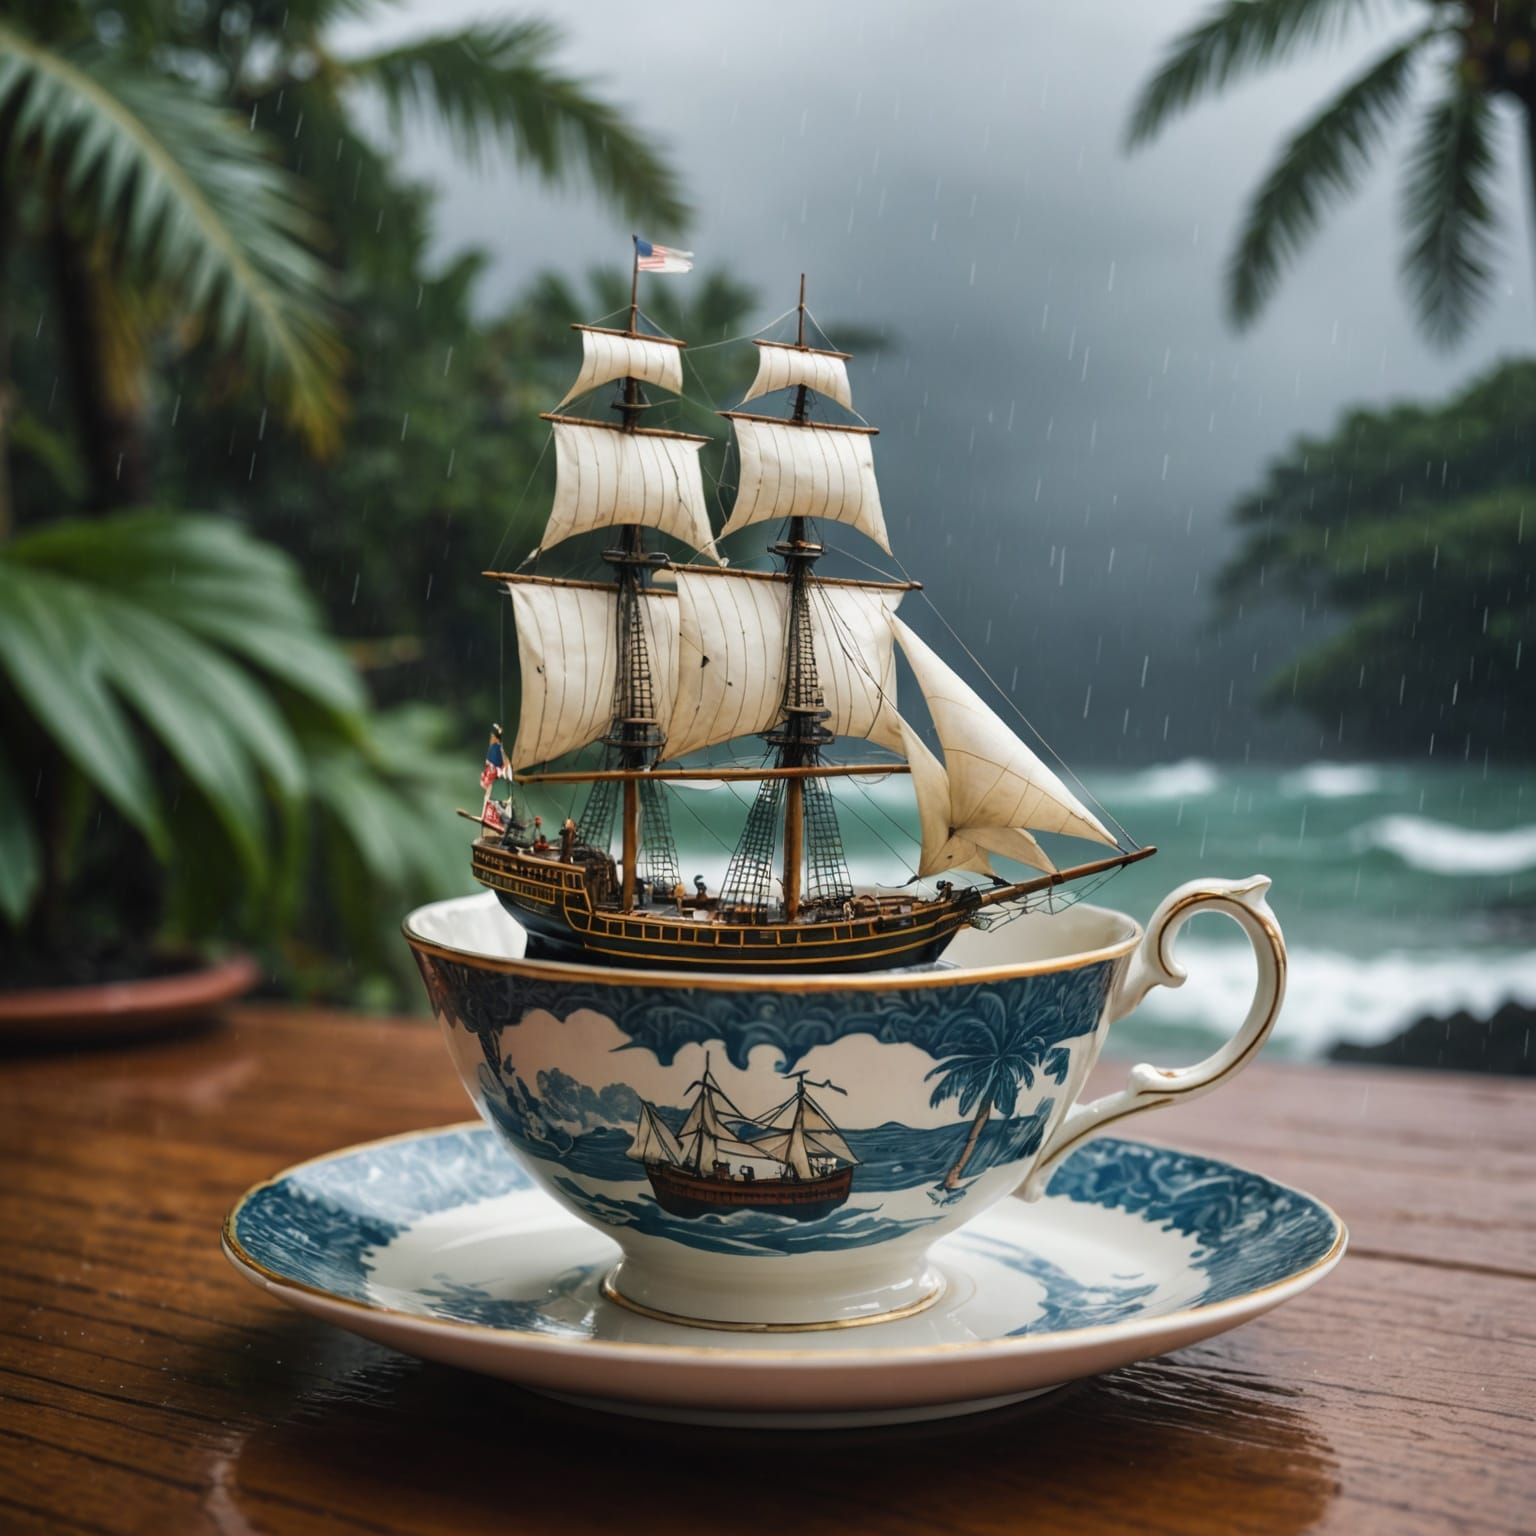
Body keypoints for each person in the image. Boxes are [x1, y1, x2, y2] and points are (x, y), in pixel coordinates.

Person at [480, 723, 507, 822]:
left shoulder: (498, 748)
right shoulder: (493, 747)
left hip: (495, 772)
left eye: (492, 737)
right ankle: (486, 815)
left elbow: (501, 762)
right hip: (492, 771)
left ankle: (491, 816)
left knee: (491, 794)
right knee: (487, 794)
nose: (491, 738)